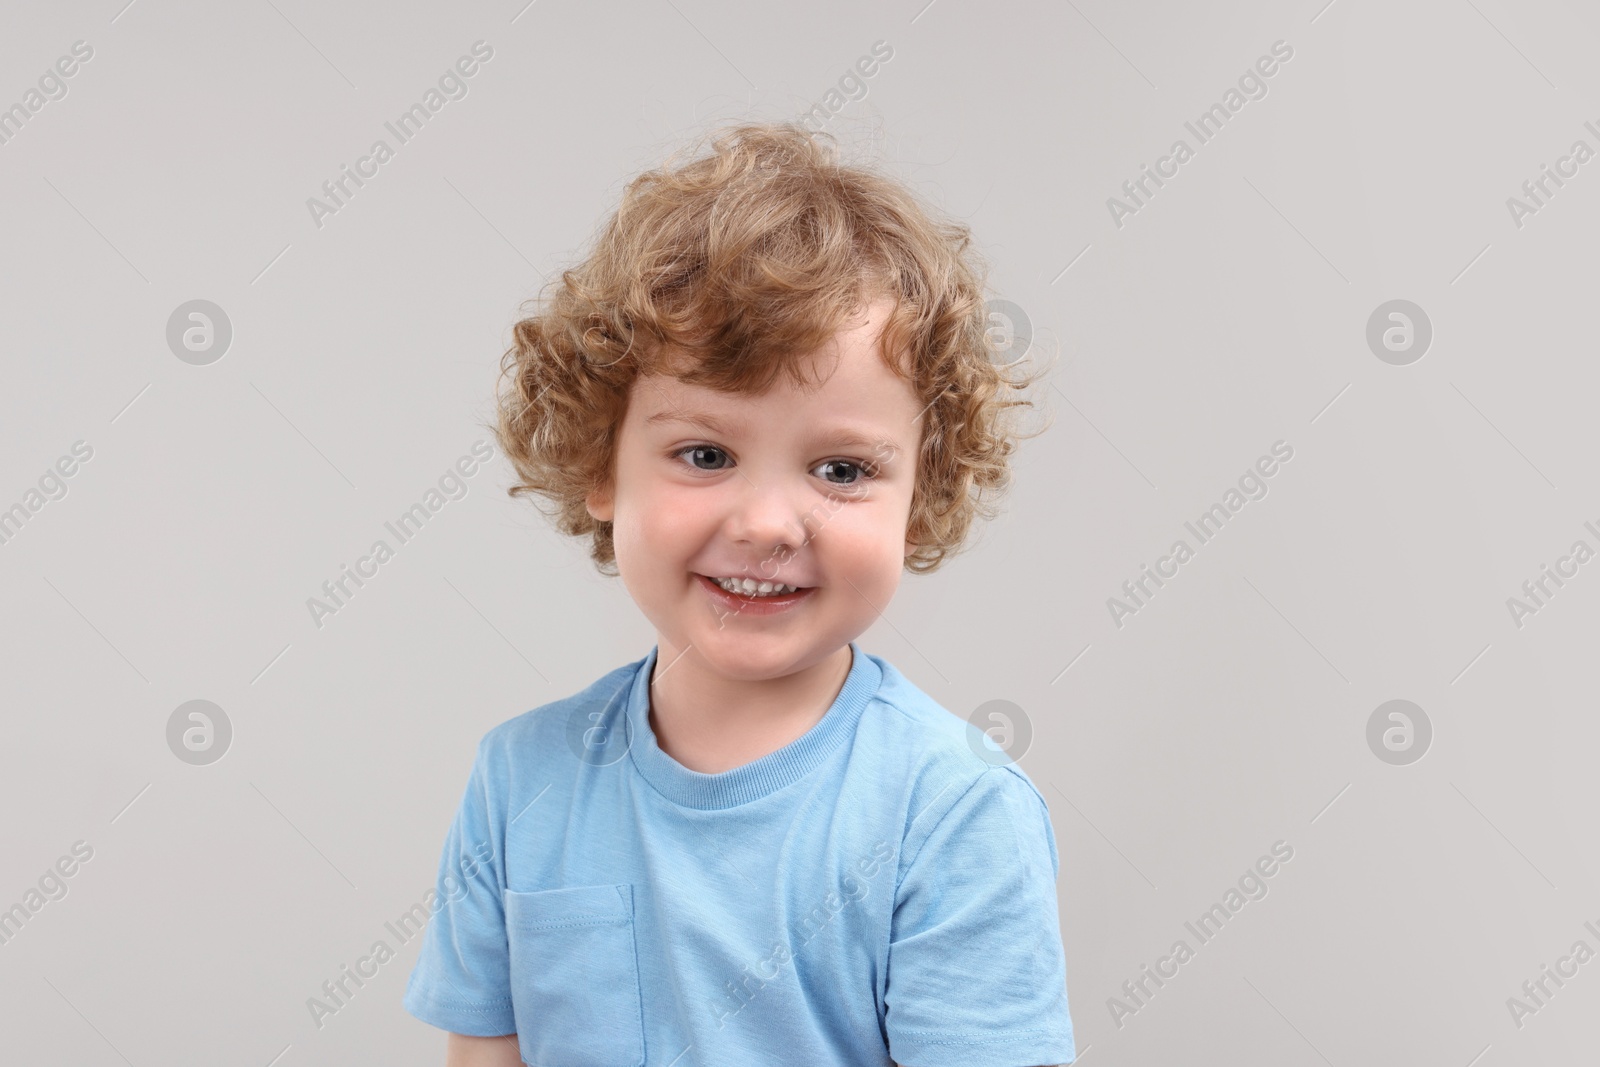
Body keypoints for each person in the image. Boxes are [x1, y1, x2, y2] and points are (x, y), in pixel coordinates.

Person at [402, 120, 1074, 1067]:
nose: (767, 522)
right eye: (706, 454)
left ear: (922, 494)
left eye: (841, 469)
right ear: (603, 463)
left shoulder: (954, 811)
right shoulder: (520, 781)